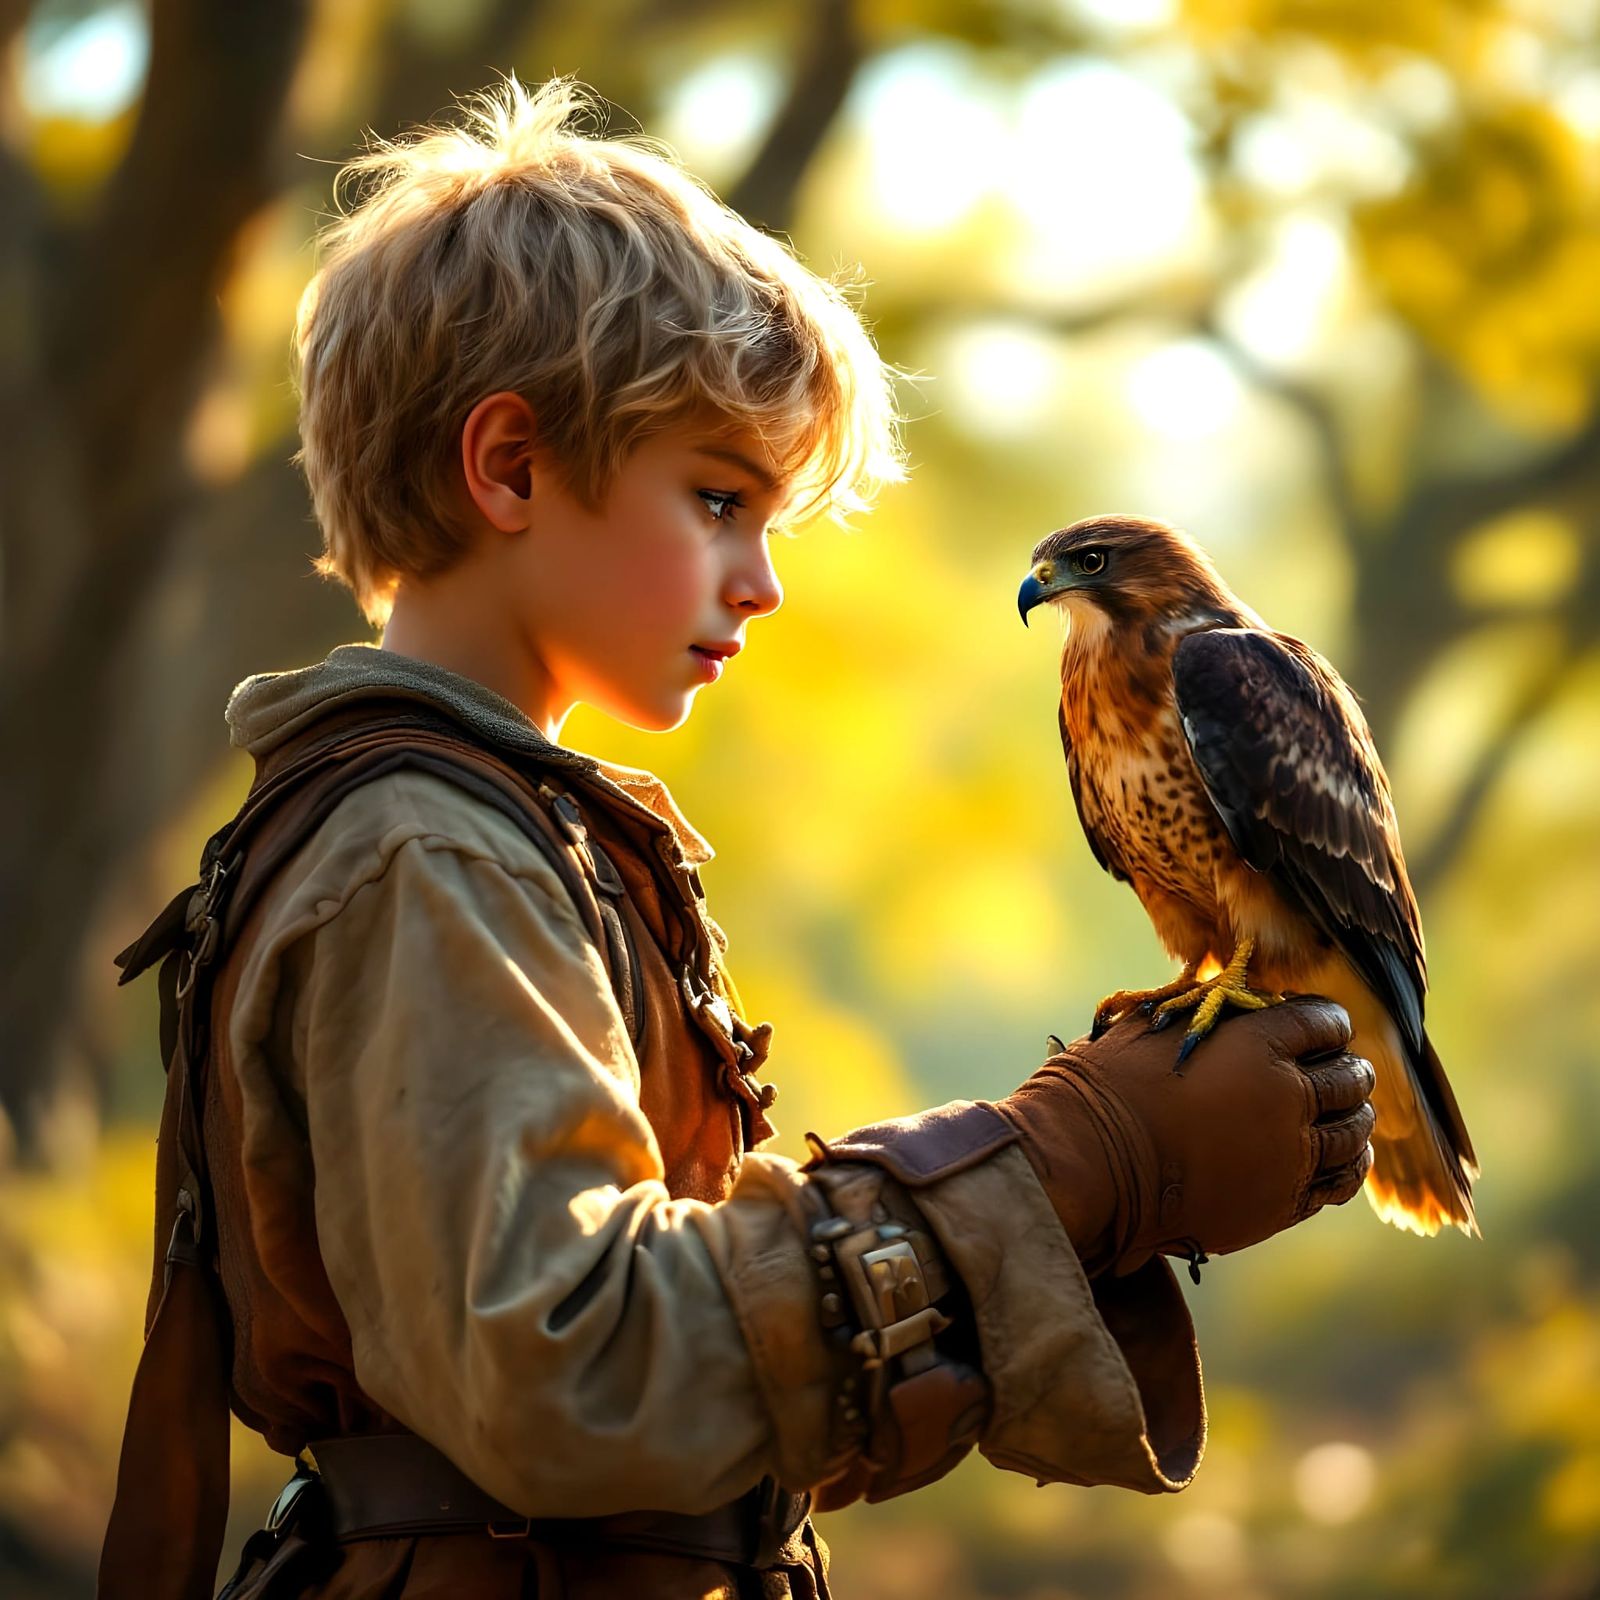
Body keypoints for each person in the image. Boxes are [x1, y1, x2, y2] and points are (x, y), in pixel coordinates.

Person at [98, 76, 1376, 1600]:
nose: (763, 582)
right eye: (718, 500)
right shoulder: (425, 856)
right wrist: (1062, 1166)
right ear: (506, 467)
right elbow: (576, 1381)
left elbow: (715, 1416)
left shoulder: (497, 830)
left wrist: (1082, 1222)